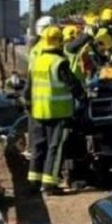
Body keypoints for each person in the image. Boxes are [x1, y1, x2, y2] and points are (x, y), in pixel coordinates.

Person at [25, 26, 85, 195]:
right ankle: (49, 185)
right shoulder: (59, 62)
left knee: (38, 147)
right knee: (55, 148)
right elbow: (73, 85)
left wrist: (29, 106)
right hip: (59, 113)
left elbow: (28, 88)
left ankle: (33, 182)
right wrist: (83, 97)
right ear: (59, 42)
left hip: (38, 112)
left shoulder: (36, 61)